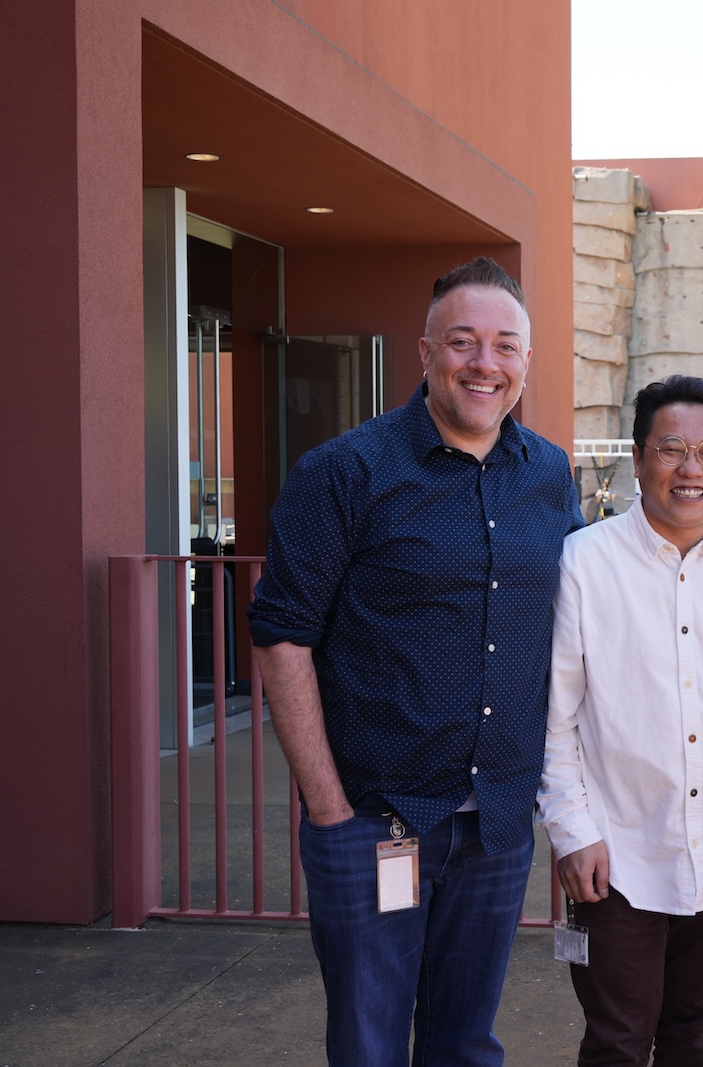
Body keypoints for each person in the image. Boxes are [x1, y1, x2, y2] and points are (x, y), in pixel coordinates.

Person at [248, 256, 582, 1066]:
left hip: (498, 825)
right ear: (424, 352)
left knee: (465, 1042)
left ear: (526, 363)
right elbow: (281, 634)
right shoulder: (346, 471)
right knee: (370, 1044)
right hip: (379, 821)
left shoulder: (548, 472)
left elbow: (577, 627)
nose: (484, 363)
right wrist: (329, 813)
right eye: (463, 342)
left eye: (505, 346)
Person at [537, 375, 703, 1066]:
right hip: (616, 855)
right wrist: (571, 831)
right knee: (616, 1038)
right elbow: (558, 716)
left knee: (695, 1030)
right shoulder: (584, 561)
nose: (690, 468)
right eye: (671, 449)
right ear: (638, 458)